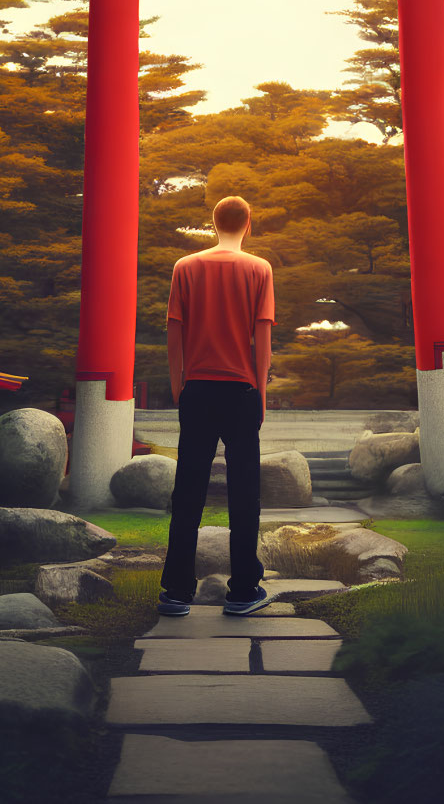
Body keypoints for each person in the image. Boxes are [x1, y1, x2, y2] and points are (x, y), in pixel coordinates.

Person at [158, 195, 276, 617]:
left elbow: (175, 334)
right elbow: (262, 338)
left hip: (197, 390)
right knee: (245, 493)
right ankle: (243, 590)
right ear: (248, 223)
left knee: (187, 491)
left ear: (213, 223)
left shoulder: (185, 267)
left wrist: (179, 387)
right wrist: (259, 393)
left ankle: (176, 590)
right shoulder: (259, 269)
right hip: (241, 391)